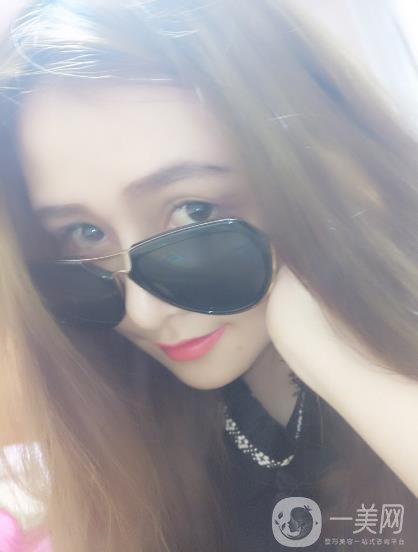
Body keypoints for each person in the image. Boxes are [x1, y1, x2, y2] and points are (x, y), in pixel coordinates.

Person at [0, 1, 417, 551]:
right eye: (86, 233)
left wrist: (338, 354)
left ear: (316, 167)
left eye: (194, 212)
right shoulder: (124, 414)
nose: (144, 312)